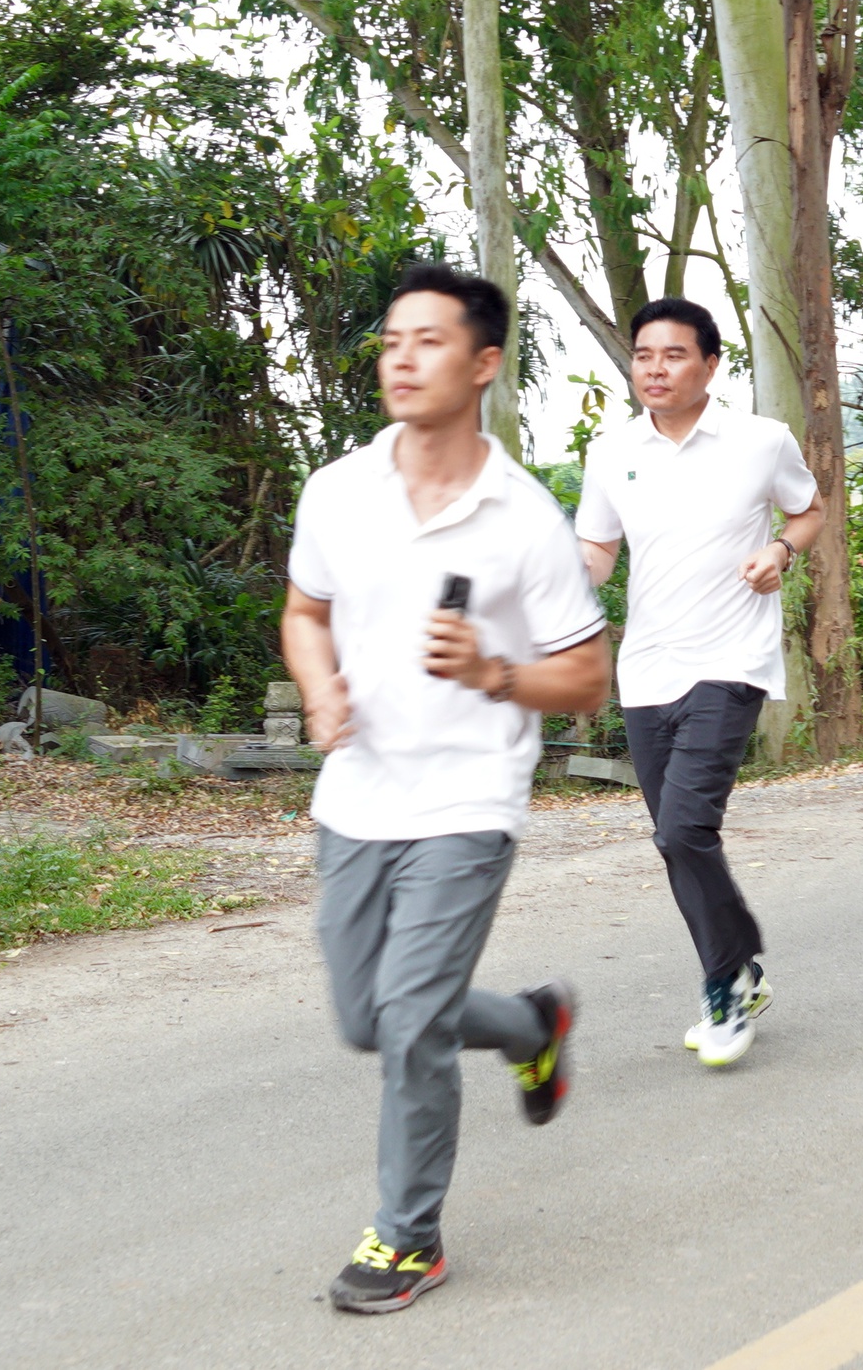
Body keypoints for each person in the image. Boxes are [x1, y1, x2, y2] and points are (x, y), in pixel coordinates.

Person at [281, 264, 612, 1314]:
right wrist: (318, 685)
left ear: (481, 365)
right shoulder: (338, 489)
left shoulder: (522, 519)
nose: (402, 358)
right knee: (363, 1019)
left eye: (427, 341)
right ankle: (529, 1027)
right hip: (356, 797)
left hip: (468, 801)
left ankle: (407, 1237)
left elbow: (588, 679)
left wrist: (492, 674)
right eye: (390, 341)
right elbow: (302, 611)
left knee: (412, 1019)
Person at [576, 297, 822, 1066]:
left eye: (673, 354)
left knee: (684, 828)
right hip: (645, 669)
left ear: (710, 365)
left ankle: (724, 984)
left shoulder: (760, 440)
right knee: (676, 840)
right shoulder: (610, 449)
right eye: (643, 354)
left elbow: (809, 510)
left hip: (730, 661)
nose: (654, 368)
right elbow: (597, 550)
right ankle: (741, 969)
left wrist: (782, 551)